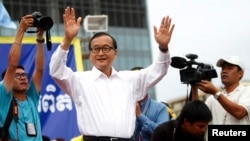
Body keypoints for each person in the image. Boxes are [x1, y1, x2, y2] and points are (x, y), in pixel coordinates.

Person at [49, 6, 175, 141]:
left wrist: (163, 48)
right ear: (90, 54)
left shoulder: (129, 79)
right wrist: (67, 40)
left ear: (115, 52)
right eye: (95, 49)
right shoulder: (80, 80)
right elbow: (56, 70)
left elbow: (158, 70)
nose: (101, 53)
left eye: (106, 48)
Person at [0, 14, 45, 141]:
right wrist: (21, 30)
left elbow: (40, 69)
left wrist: (40, 38)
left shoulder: (32, 97)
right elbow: (12, 64)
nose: (23, 78)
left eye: (24, 75)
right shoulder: (4, 97)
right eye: (17, 75)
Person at [193, 56, 250, 124]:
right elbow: (197, 118)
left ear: (240, 73)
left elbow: (239, 113)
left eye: (230, 68)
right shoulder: (212, 99)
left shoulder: (247, 91)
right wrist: (194, 87)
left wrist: (215, 93)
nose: (224, 71)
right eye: (223, 68)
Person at [130, 66, 170, 141]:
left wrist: (140, 116)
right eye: (133, 81)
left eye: (140, 81)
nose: (137, 85)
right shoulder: (122, 108)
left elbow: (164, 134)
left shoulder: (160, 108)